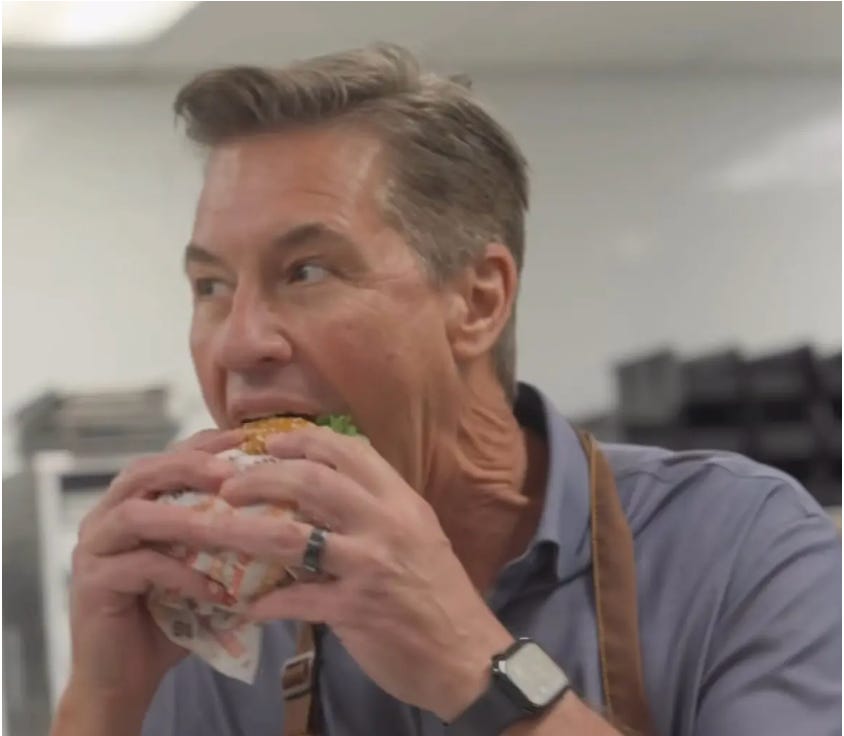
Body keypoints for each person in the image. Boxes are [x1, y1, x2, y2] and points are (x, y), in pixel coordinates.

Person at [51, 44, 840, 736]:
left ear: (479, 300)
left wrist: (475, 669)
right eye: (211, 285)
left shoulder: (744, 549)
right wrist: (104, 696)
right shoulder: (216, 624)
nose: (238, 342)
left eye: (308, 271)